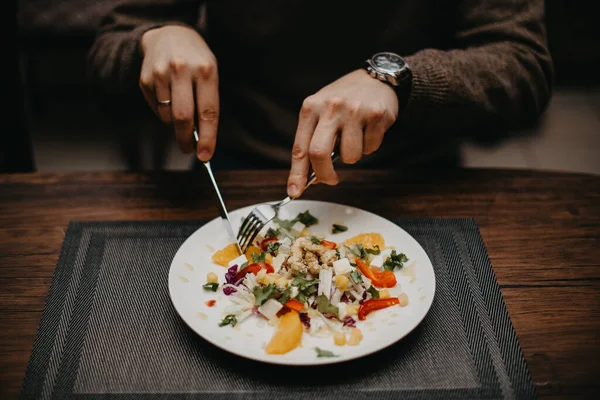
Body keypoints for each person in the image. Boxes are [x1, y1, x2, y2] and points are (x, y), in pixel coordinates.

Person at [88, 0, 553, 197]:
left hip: (415, 175)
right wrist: (153, 39)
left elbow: (523, 65)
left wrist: (400, 77)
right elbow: (109, 50)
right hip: (238, 168)